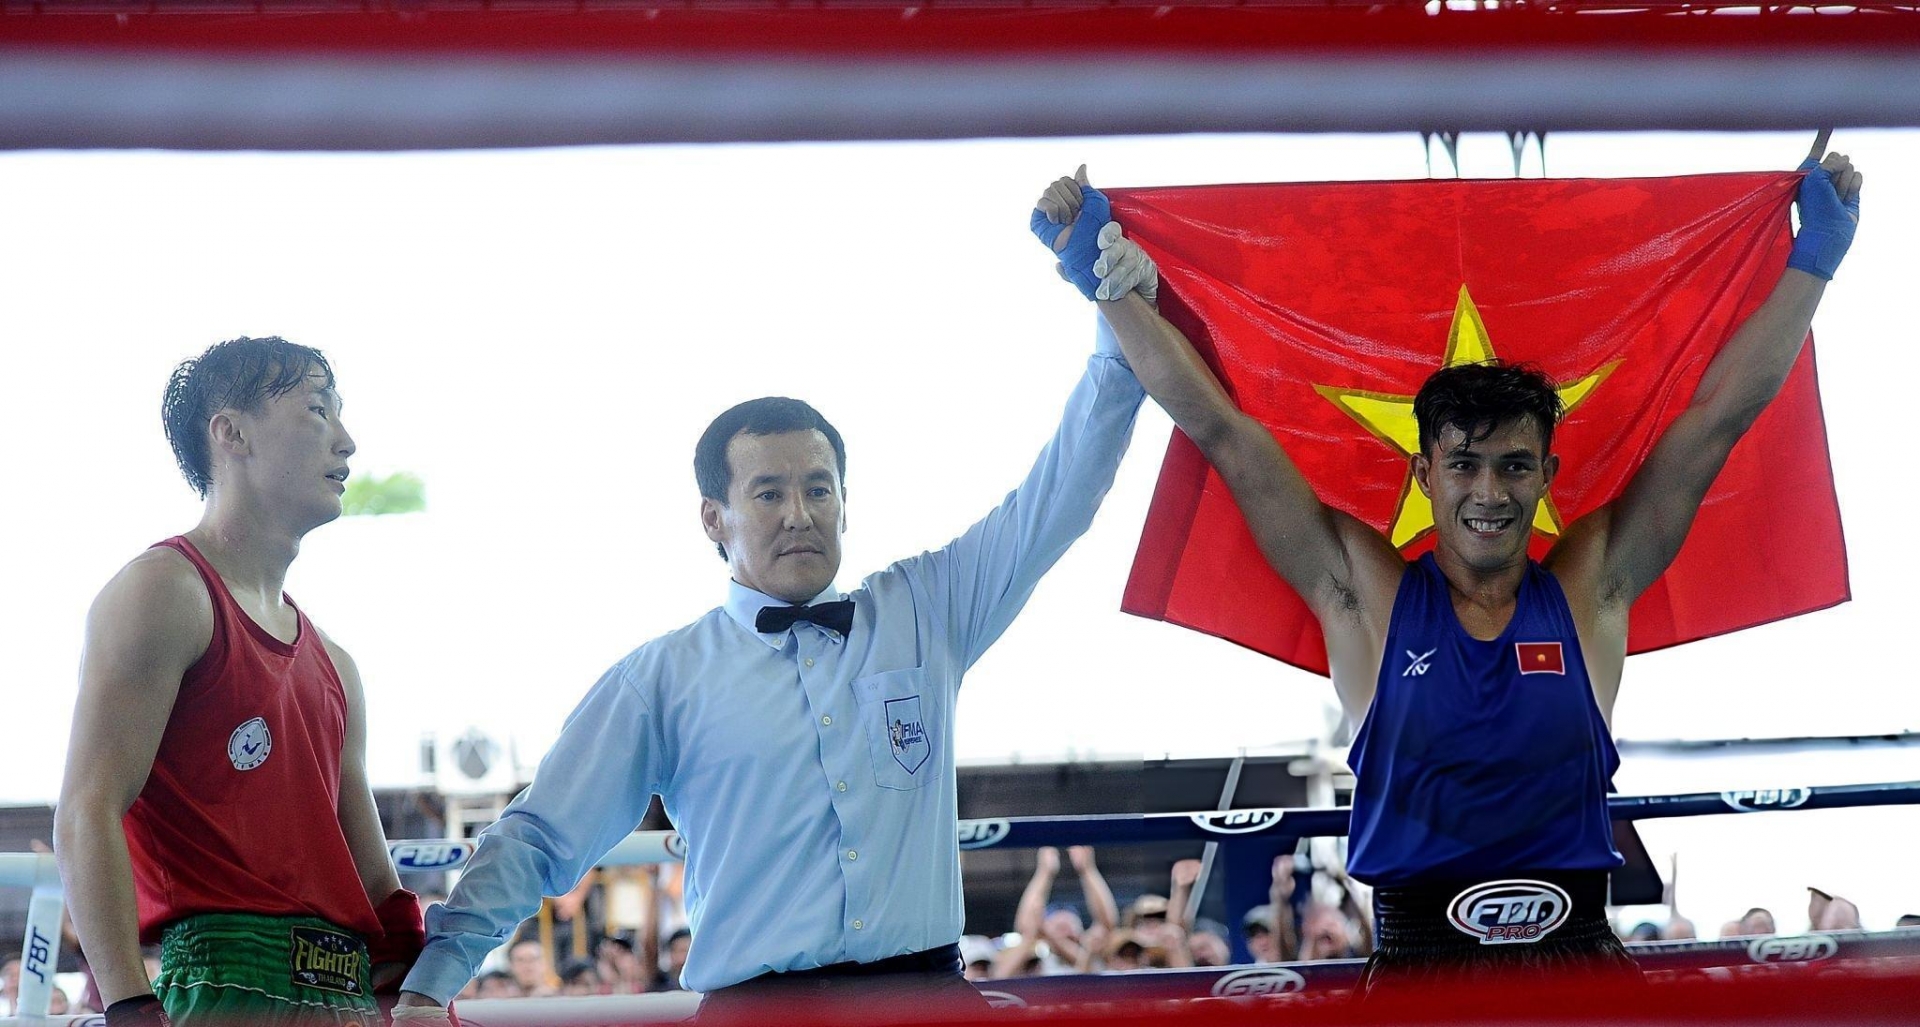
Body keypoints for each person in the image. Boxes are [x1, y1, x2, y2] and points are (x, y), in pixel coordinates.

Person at [1035, 153, 1861, 993]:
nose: (1489, 493)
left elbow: (1717, 419)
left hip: (1577, 977)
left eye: (1514, 465)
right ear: (1426, 474)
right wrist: (1102, 282)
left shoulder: (1592, 587)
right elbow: (1220, 430)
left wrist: (1814, 260)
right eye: (1465, 464)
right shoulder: (1365, 595)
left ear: (1546, 476)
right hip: (1418, 984)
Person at [394, 311, 1145, 1022]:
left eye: (818, 489)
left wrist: (1119, 327)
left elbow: (1060, 495)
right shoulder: (662, 678)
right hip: (758, 1012)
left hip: (926, 1001)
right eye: (769, 493)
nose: (799, 513)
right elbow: (540, 835)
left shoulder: (925, 609)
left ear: (846, 502)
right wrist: (429, 986)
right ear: (713, 518)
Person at [52, 337, 424, 1026]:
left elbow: (374, 881)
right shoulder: (164, 592)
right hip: (223, 992)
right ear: (232, 433)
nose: (346, 441)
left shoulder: (336, 663)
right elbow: (86, 808)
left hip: (349, 999)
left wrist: (424, 987)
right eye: (317, 410)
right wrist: (130, 1004)